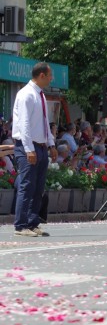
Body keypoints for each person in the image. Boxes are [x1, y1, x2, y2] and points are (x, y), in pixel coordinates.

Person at [12, 62, 58, 237]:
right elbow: (23, 124)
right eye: (49, 75)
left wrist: (51, 144)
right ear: (41, 76)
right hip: (27, 146)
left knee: (38, 187)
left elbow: (44, 123)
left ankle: (32, 222)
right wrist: (29, 149)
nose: (51, 78)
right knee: (27, 185)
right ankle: (21, 225)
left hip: (40, 146)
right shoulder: (26, 95)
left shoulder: (40, 95)